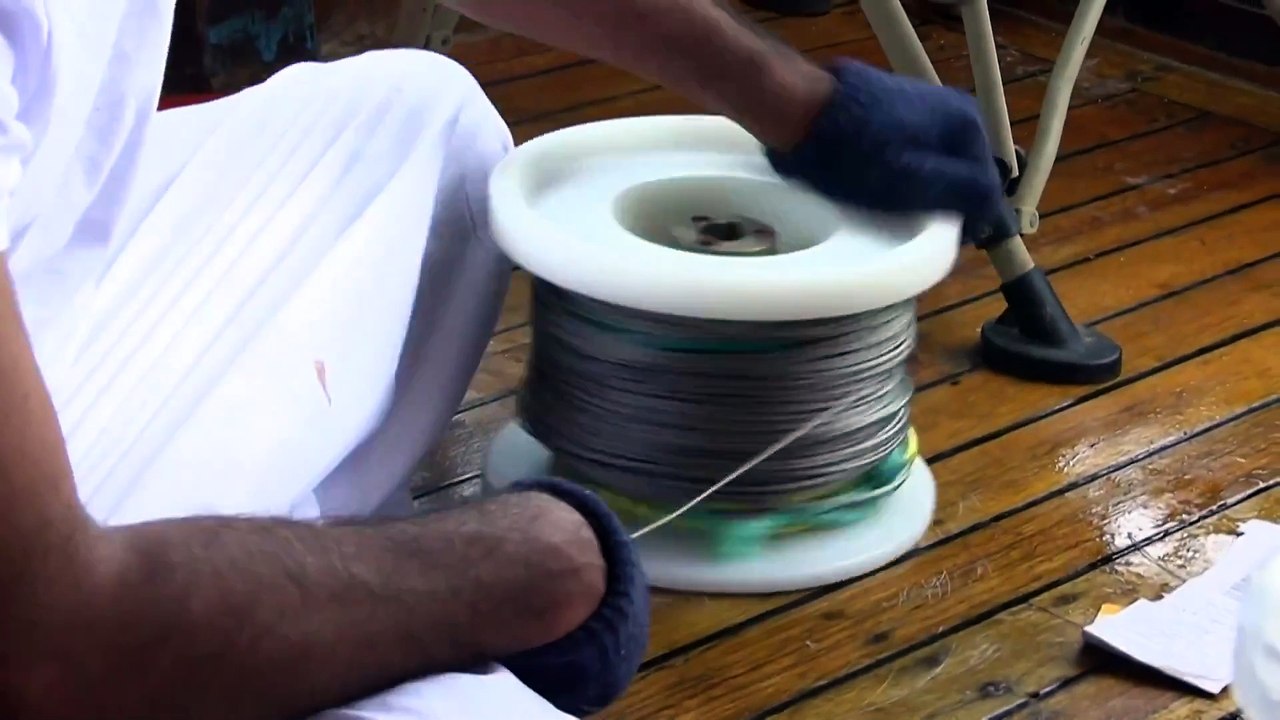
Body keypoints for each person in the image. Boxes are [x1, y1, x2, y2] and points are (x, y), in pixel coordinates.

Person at [0, 0, 1005, 718]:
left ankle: (244, 572)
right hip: (48, 622)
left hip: (33, 318)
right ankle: (250, 612)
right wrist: (524, 569)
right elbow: (51, 645)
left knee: (423, 116)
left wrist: (794, 100)